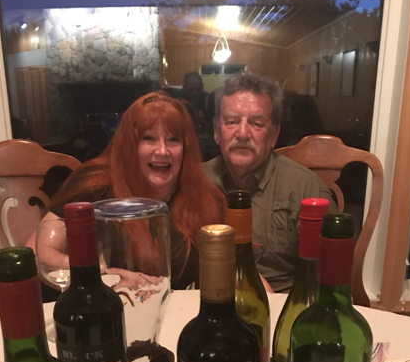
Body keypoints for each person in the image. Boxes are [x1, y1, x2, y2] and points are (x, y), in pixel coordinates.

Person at [28, 92, 226, 290]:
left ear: (186, 148)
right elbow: (36, 253)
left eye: (173, 139)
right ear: (130, 145)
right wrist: (101, 275)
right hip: (105, 305)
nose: (162, 151)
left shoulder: (209, 198)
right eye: (148, 138)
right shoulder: (94, 185)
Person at [203, 71, 337, 293]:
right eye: (232, 121)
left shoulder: (307, 189)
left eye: (256, 123)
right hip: (209, 298)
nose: (242, 133)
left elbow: (328, 280)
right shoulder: (196, 182)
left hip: (283, 301)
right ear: (217, 132)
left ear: (274, 135)